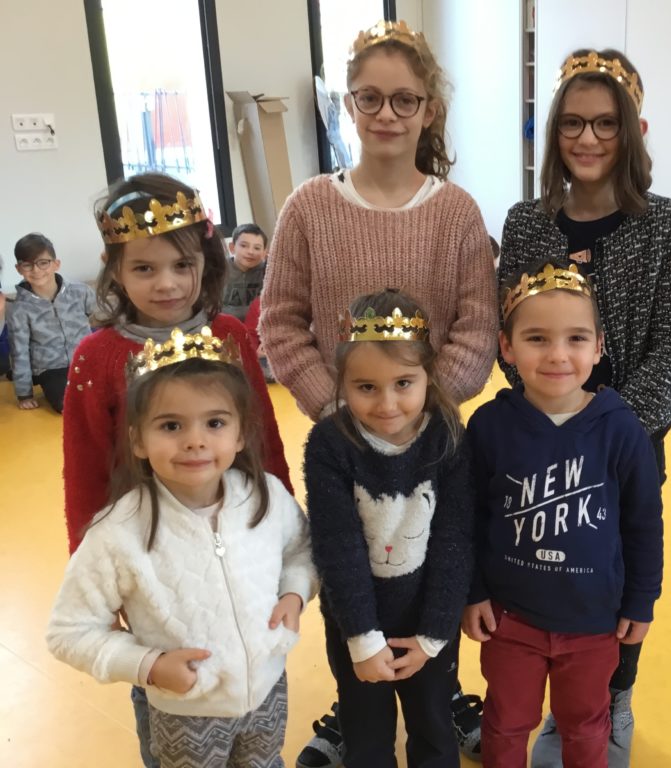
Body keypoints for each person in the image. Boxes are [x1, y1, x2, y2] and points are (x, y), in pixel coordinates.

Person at [259, 20, 497, 767]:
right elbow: (280, 321)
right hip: (346, 441)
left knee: (434, 565)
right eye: (370, 98)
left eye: (404, 100)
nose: (386, 114)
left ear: (429, 109)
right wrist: (343, 410)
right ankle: (358, 700)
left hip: (433, 443)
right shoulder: (308, 207)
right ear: (349, 105)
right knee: (351, 564)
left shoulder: (456, 212)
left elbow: (477, 327)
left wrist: (417, 412)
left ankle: (433, 689)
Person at [496, 48, 671, 766]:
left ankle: (611, 701)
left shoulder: (666, 223)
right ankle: (556, 704)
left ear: (631, 132)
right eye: (573, 123)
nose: (587, 138)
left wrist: (603, 434)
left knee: (613, 575)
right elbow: (510, 333)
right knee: (546, 570)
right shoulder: (527, 222)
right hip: (536, 439)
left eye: (605, 123)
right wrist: (547, 424)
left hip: (628, 444)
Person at [63, 172, 292, 768]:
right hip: (151, 554)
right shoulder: (96, 357)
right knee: (168, 699)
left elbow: (263, 442)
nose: (166, 283)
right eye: (144, 268)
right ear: (115, 271)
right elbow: (84, 473)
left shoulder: (229, 335)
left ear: (205, 263)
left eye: (181, 265)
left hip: (233, 539)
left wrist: (279, 525)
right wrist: (93, 569)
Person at [47, 332, 317, 768]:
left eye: (215, 423)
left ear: (241, 433)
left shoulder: (265, 495)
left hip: (269, 691)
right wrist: (148, 665)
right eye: (171, 426)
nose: (195, 440)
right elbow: (68, 632)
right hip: (186, 713)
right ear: (138, 440)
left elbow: (301, 549)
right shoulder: (119, 532)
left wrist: (295, 592)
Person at [463, 259, 663, 768]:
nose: (557, 355)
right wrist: (474, 592)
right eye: (537, 338)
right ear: (507, 347)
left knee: (586, 724)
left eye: (576, 338)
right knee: (505, 722)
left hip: (594, 622)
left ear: (598, 347)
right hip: (510, 620)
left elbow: (642, 524)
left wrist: (641, 600)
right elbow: (468, 518)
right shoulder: (488, 427)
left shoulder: (622, 429)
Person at [304, 290, 473, 768]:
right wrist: (362, 639)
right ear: (342, 381)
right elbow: (336, 547)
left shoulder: (447, 437)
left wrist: (433, 635)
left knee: (435, 729)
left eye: (403, 383)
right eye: (366, 387)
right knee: (366, 734)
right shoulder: (329, 444)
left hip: (427, 621)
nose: (387, 404)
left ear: (428, 376)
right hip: (356, 622)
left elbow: (455, 540)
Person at [7, 232, 95, 412]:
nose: (36, 270)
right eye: (27, 265)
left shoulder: (81, 292)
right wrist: (24, 394)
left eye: (43, 262)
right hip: (51, 369)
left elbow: (99, 321)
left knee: (111, 395)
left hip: (86, 360)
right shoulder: (19, 309)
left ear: (56, 264)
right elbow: (19, 351)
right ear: (19, 269)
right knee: (69, 405)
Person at [222, 223, 268, 321]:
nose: (250, 252)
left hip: (258, 323)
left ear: (264, 252)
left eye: (257, 248)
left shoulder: (268, 271)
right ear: (232, 248)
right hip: (225, 323)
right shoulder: (219, 270)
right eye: (244, 246)